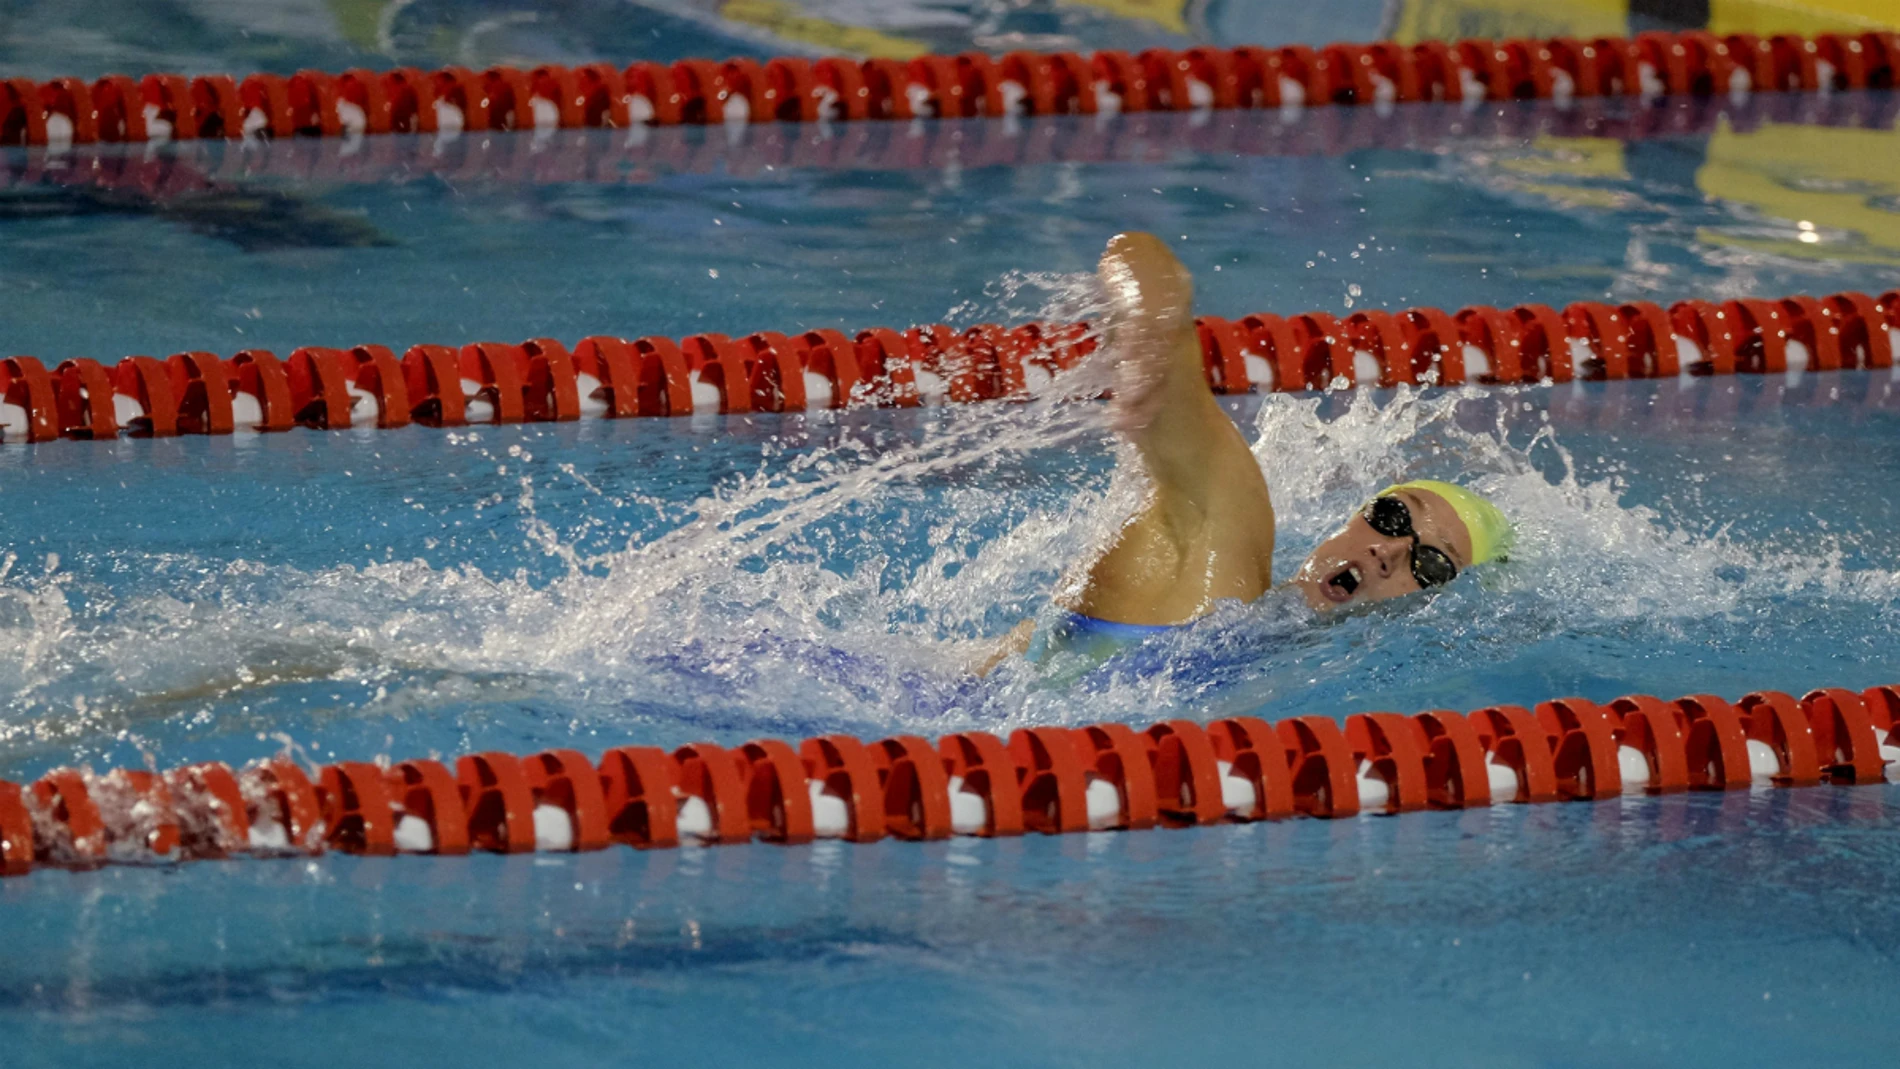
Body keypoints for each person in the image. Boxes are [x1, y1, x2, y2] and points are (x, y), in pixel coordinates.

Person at [992, 232, 1513, 669]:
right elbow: (1140, 255)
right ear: (1353, 516)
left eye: (1431, 565)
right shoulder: (1216, 558)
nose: (1389, 552)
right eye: (1393, 515)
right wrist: (1148, 322)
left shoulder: (1280, 661)